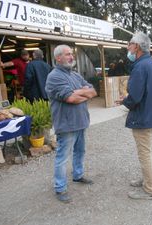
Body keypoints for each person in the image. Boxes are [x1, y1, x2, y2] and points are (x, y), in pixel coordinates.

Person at [116, 32, 152, 200]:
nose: (127, 47)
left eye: (129, 44)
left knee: (144, 153)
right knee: (145, 151)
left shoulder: (140, 66)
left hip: (143, 116)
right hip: (150, 114)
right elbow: (145, 92)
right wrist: (130, 98)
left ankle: (149, 189)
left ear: (136, 46)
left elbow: (136, 96)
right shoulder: (151, 64)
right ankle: (146, 180)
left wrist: (125, 101)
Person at [45, 44, 97, 203]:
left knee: (80, 151)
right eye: (67, 54)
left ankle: (78, 175)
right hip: (66, 124)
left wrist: (79, 92)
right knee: (62, 157)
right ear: (58, 58)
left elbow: (93, 91)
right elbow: (71, 99)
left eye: (72, 54)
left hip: (80, 121)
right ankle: (60, 188)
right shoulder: (54, 76)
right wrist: (82, 93)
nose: (71, 57)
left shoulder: (74, 75)